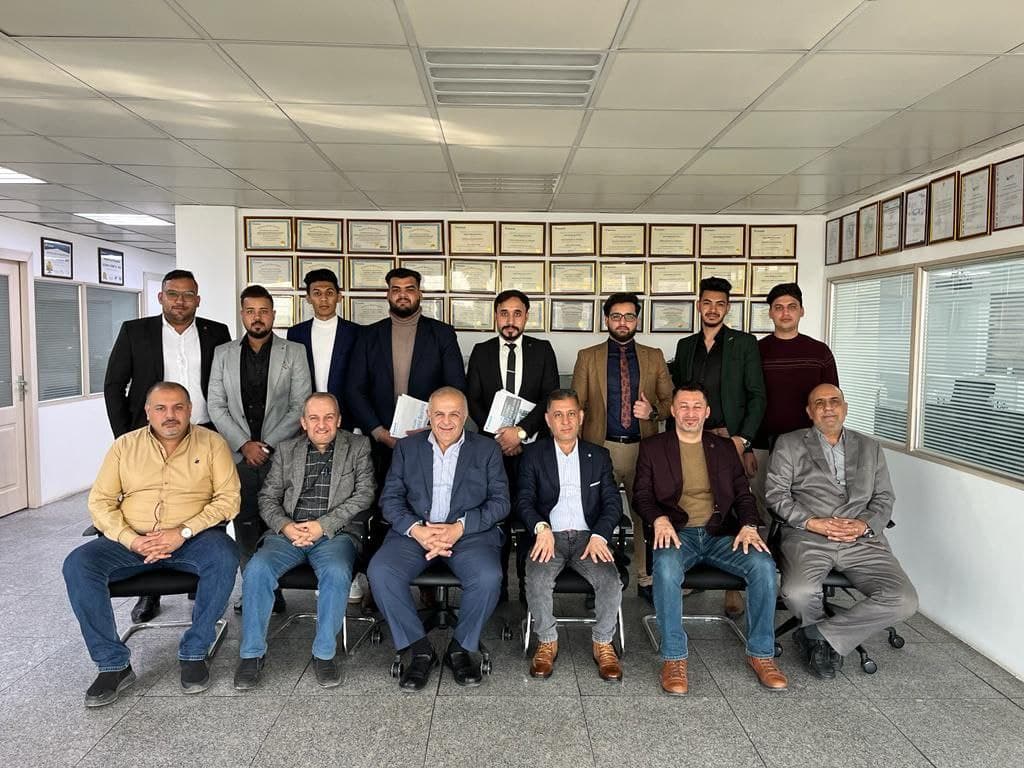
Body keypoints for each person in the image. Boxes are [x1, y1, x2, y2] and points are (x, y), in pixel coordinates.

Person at [62, 382, 239, 706]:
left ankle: (194, 651)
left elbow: (228, 500)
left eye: (178, 407)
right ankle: (112, 664)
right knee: (78, 564)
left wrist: (183, 531)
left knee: (225, 554)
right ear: (147, 412)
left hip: (193, 539)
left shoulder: (213, 444)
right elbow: (100, 503)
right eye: (161, 408)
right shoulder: (124, 447)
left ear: (190, 410)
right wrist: (132, 539)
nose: (170, 415)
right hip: (132, 541)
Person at [634, 384, 788, 694]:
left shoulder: (725, 448)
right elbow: (641, 495)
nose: (690, 413)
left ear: (707, 412)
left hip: (720, 533)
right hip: (678, 533)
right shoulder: (653, 447)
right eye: (683, 406)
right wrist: (659, 519)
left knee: (763, 565)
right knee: (665, 568)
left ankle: (761, 653)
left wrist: (749, 524)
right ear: (673, 411)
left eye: (696, 407)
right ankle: (674, 658)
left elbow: (743, 494)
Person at [102, 268, 231, 623]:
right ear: (161, 297)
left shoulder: (217, 332)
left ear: (198, 300)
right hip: (151, 434)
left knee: (207, 502)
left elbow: (225, 381)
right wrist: (126, 437)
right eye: (173, 294)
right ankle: (150, 591)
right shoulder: (135, 331)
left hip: (205, 430)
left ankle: (202, 577)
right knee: (152, 506)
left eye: (188, 295)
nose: (180, 301)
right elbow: (114, 385)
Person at [766, 384, 918, 679]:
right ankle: (822, 642)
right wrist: (812, 522)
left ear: (845, 408)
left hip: (861, 540)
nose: (828, 407)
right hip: (809, 536)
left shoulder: (870, 447)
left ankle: (819, 637)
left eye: (834, 401)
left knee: (904, 599)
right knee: (797, 593)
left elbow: (884, 497)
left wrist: (864, 525)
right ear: (809, 411)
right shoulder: (790, 443)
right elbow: (776, 495)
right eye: (819, 403)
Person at [367, 387, 509, 691]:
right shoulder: (407, 448)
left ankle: (460, 648)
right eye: (439, 414)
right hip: (416, 532)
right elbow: (390, 499)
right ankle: (421, 650)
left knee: (488, 577)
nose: (446, 421)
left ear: (465, 416)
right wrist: (417, 529)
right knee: (381, 572)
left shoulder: (487, 449)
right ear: (428, 416)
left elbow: (500, 502)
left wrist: (459, 528)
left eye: (454, 414)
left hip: (468, 534)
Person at [234, 393, 375, 690]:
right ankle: (251, 654)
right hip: (289, 533)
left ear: (339, 420)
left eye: (328, 417)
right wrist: (285, 526)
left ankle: (324, 654)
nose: (321, 424)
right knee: (257, 570)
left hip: (334, 534)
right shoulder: (287, 450)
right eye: (314, 418)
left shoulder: (358, 446)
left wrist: (323, 526)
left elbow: (365, 494)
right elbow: (267, 498)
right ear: (303, 422)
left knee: (336, 572)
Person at [208, 284, 311, 612]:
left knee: (278, 519)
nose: (257, 317)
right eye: (251, 311)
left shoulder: (293, 351)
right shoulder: (223, 353)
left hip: (280, 454)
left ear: (273, 315)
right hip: (238, 456)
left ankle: (275, 585)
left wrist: (265, 446)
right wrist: (244, 444)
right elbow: (215, 405)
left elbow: (300, 404)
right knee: (245, 523)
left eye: (264, 311)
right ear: (242, 315)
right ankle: (254, 588)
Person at [669, 276, 767, 619]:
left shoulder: (744, 343)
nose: (713, 309)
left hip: (729, 439)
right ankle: (689, 565)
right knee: (691, 499)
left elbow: (757, 396)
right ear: (699, 305)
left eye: (720, 304)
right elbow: (678, 393)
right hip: (691, 437)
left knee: (732, 504)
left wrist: (744, 441)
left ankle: (732, 585)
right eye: (707, 303)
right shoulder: (686, 345)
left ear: (728, 307)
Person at [571, 292, 672, 602]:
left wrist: (652, 412)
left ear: (637, 319)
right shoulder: (588, 356)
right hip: (600, 448)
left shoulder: (654, 356)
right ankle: (593, 579)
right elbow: (576, 406)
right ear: (606, 320)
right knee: (594, 513)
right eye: (616, 316)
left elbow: (671, 402)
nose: (623, 322)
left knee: (646, 514)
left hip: (644, 449)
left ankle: (646, 578)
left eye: (629, 316)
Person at [517, 389, 623, 681]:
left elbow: (612, 503)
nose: (565, 421)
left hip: (589, 538)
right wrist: (541, 528)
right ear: (548, 420)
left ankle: (603, 642)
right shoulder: (533, 455)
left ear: (581, 417)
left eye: (571, 414)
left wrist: (600, 535)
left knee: (610, 580)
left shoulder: (598, 456)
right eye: (558, 415)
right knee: (537, 579)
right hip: (549, 537)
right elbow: (524, 500)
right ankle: (547, 641)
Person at [466, 289, 559, 601]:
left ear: (526, 317)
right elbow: (472, 399)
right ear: (495, 316)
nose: (510, 320)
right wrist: (500, 436)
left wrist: (519, 433)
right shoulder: (481, 351)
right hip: (491, 451)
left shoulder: (542, 350)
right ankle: (498, 588)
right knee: (495, 518)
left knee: (531, 514)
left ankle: (528, 587)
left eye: (517, 313)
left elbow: (549, 396)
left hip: (532, 450)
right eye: (504, 313)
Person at [346, 267, 466, 482]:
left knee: (426, 494)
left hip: (431, 438)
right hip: (380, 441)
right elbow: (354, 389)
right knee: (384, 495)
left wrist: (432, 427)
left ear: (420, 293)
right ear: (388, 294)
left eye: (409, 289)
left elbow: (455, 387)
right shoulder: (368, 335)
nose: (402, 295)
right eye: (396, 289)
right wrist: (379, 432)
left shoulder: (442, 334)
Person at [751, 283, 839, 504]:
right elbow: (744, 400)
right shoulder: (755, 352)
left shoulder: (819, 352)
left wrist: (831, 443)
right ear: (770, 313)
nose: (785, 313)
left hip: (810, 444)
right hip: (762, 445)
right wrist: (746, 447)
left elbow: (832, 401)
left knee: (808, 504)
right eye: (778, 307)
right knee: (766, 505)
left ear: (802, 311)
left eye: (792, 306)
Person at [287, 268, 360, 430]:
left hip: (347, 417)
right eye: (317, 293)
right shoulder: (296, 333)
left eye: (329, 293)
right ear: (308, 298)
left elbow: (362, 381)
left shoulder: (356, 332)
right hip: (309, 418)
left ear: (339, 297)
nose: (324, 299)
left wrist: (358, 424)